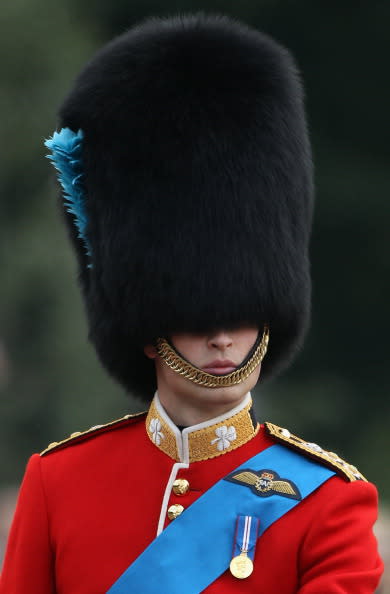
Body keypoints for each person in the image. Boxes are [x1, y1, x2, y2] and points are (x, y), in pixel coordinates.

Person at [0, 13, 383, 594]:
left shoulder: (329, 501)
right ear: (150, 327)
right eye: (195, 316)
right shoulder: (58, 483)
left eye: (239, 313)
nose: (222, 337)